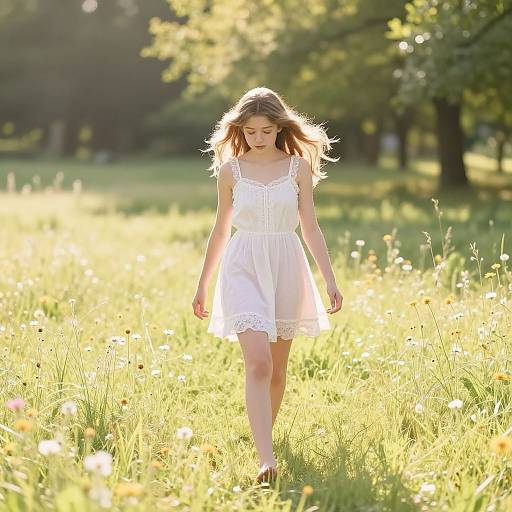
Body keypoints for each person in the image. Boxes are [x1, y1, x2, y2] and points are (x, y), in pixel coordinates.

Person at [192, 87, 343, 484]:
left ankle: (264, 437)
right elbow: (221, 228)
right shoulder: (231, 171)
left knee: (277, 370)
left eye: (266, 130)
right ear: (240, 129)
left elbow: (310, 225)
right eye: (251, 130)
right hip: (242, 264)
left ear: (280, 127)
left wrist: (329, 278)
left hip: (286, 263)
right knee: (257, 362)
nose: (258, 137)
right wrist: (202, 284)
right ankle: (266, 460)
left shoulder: (297, 168)